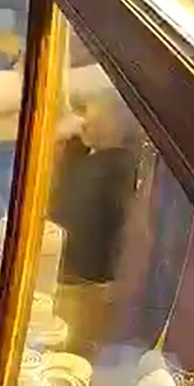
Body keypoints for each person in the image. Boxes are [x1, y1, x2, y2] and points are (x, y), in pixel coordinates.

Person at [48, 97, 139, 358]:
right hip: (79, 286)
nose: (84, 117)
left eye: (92, 106)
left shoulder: (109, 169)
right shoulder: (105, 164)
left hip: (80, 292)